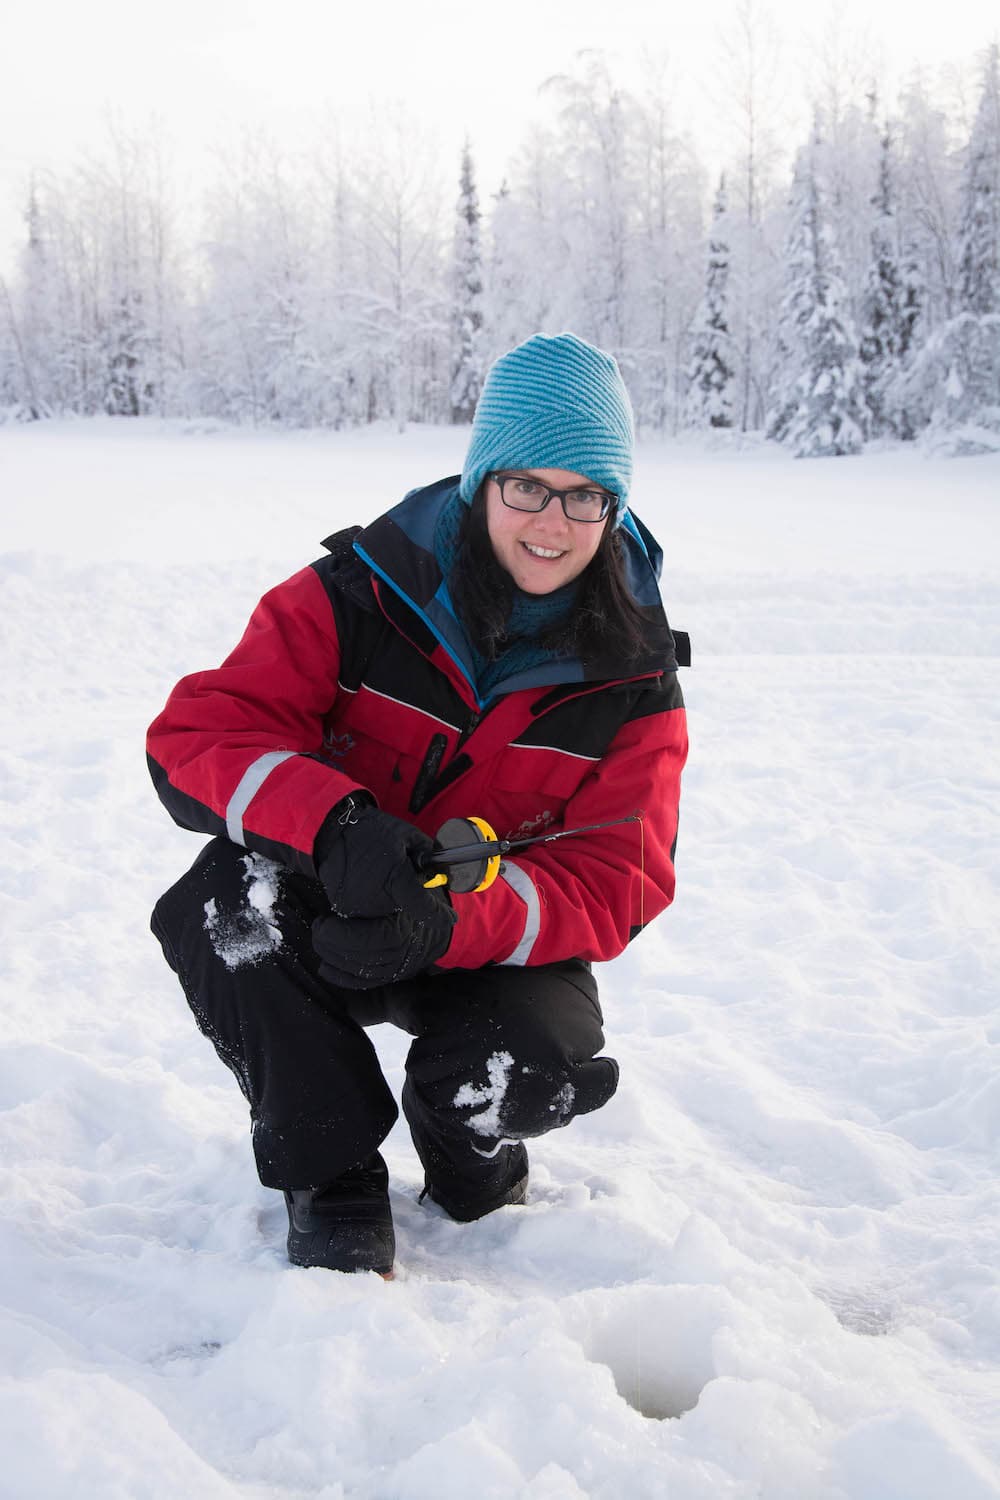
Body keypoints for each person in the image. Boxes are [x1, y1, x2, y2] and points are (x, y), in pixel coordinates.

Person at [148, 333, 688, 1278]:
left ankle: (464, 1139)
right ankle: (332, 1166)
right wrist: (334, 823)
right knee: (226, 905)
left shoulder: (634, 677)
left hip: (478, 940)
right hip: (333, 909)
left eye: (585, 496)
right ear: (482, 479)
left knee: (533, 1058)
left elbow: (620, 874)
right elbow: (197, 736)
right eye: (527, 485)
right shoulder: (356, 591)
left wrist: (446, 920)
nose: (553, 523)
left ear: (615, 507)